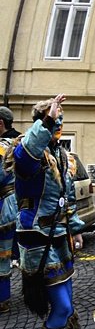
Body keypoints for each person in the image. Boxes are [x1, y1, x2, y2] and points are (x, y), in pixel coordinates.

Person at [6, 95, 95, 329]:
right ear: (40, 122)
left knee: (68, 297)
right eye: (53, 118)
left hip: (60, 235)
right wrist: (45, 119)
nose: (58, 122)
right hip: (37, 238)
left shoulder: (61, 155)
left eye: (60, 119)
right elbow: (26, 155)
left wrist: (77, 228)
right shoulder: (27, 152)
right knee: (62, 304)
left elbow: (66, 198)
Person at [0, 107, 18, 313]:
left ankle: (2, 298)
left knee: (2, 253)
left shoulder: (2, 147)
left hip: (4, 207)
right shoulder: (19, 142)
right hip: (18, 203)